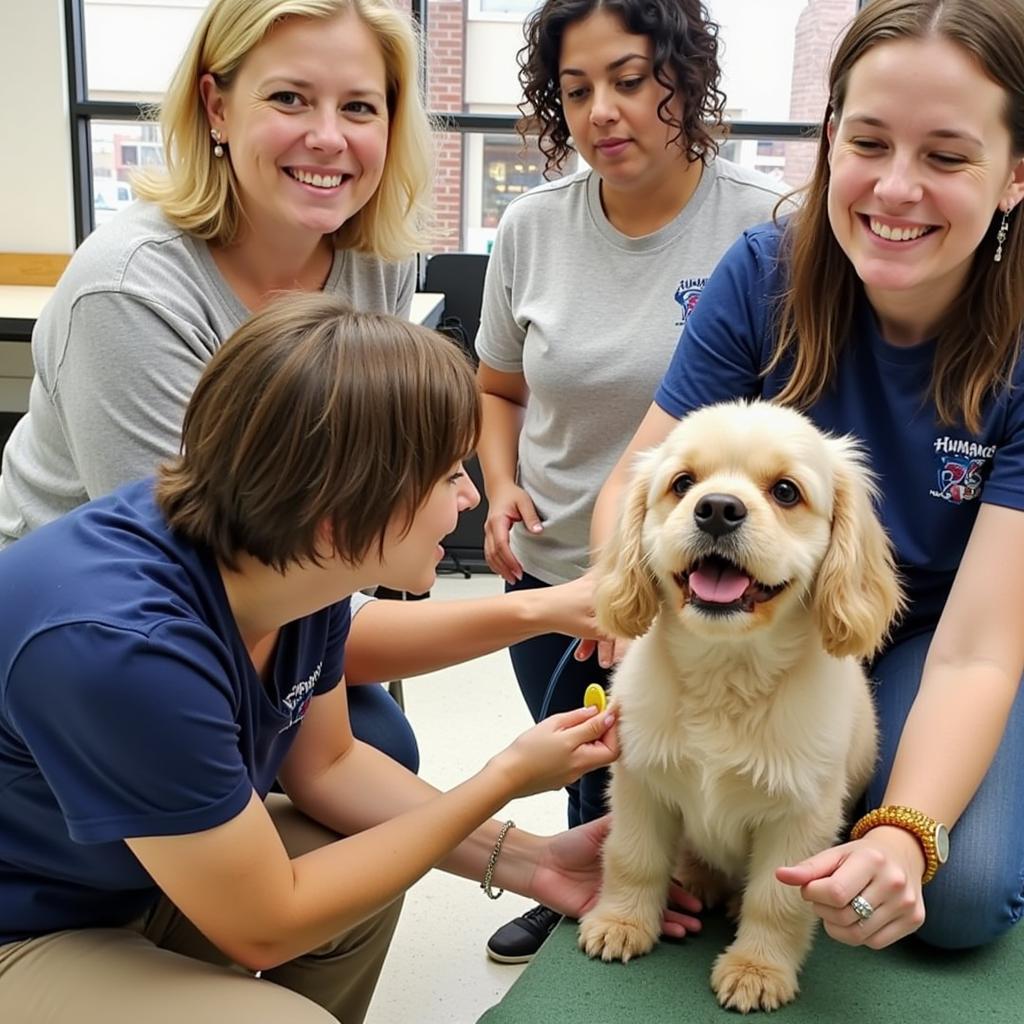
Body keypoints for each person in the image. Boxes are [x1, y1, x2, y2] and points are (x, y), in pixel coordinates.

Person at [0, 296, 702, 1022]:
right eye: (445, 478)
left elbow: (329, 766)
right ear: (338, 511)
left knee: (360, 861)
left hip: (127, 872)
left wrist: (532, 859)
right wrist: (507, 777)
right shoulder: (121, 647)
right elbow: (265, 923)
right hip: (28, 920)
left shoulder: (284, 556)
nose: (468, 497)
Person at [0, 0, 602, 775]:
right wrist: (540, 608)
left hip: (291, 588)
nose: (329, 137)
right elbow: (216, 591)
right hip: (108, 640)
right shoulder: (129, 297)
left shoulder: (373, 259)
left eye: (359, 106)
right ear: (216, 106)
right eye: (289, 98)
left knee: (377, 749)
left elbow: (344, 513)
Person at [593, 0, 1024, 953]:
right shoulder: (762, 275)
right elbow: (647, 475)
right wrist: (634, 616)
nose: (896, 189)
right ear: (830, 138)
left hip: (934, 629)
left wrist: (906, 837)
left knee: (954, 894)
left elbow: (978, 650)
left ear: (1016, 176)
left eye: (948, 157)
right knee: (616, 772)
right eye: (868, 142)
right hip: (733, 608)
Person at [474, 0, 788, 961]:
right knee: (587, 747)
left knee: (698, 745)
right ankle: (576, 881)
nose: (601, 110)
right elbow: (497, 386)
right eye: (576, 91)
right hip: (558, 558)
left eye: (628, 79)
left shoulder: (765, 228)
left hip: (705, 573)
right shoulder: (530, 227)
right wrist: (498, 486)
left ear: (682, 80)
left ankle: (713, 883)